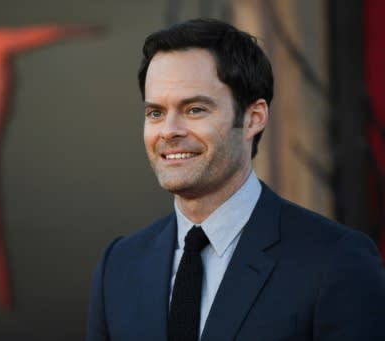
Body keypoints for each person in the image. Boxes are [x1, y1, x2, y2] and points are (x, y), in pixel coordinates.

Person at [86, 18, 385, 341]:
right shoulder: (119, 265)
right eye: (155, 112)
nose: (169, 130)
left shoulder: (335, 260)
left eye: (195, 109)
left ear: (254, 117)